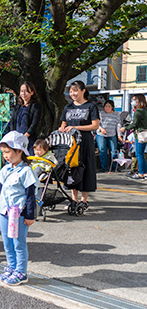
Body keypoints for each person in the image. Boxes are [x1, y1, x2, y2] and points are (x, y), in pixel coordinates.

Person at [0, 131, 37, 286]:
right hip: (5, 211)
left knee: (18, 243)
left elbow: (31, 195)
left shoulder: (26, 171)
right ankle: (11, 266)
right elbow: (2, 189)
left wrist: (30, 216)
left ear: (19, 151)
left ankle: (21, 271)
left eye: (8, 152)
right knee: (7, 242)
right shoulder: (6, 169)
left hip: (18, 213)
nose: (5, 155)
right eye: (3, 152)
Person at [58, 80, 100, 211]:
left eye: (75, 90)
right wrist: (62, 128)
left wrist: (76, 127)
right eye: (71, 91)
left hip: (85, 141)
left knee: (85, 168)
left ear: (83, 91)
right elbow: (63, 123)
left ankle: (84, 200)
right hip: (70, 142)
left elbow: (95, 125)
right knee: (71, 168)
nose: (73, 93)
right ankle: (73, 200)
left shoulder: (91, 106)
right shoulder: (68, 107)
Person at [9, 81, 42, 155]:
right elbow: (13, 121)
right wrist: (13, 135)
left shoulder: (36, 106)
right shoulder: (17, 107)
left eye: (26, 91)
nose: (23, 93)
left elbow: (35, 123)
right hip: (17, 138)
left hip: (29, 138)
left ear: (32, 92)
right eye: (21, 91)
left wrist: (25, 136)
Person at [120, 94, 147, 179]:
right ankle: (145, 173)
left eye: (134, 99)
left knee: (139, 155)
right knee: (142, 155)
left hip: (140, 135)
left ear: (139, 101)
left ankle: (141, 173)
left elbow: (134, 124)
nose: (133, 102)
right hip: (145, 134)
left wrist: (125, 128)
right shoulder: (145, 110)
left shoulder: (138, 112)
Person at [97, 100, 123, 172]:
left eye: (109, 106)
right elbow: (96, 123)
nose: (107, 108)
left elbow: (118, 124)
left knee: (114, 150)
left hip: (112, 134)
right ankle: (104, 168)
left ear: (112, 107)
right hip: (101, 134)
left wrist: (119, 135)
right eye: (106, 106)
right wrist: (101, 129)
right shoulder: (100, 114)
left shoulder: (116, 114)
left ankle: (114, 167)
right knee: (102, 150)